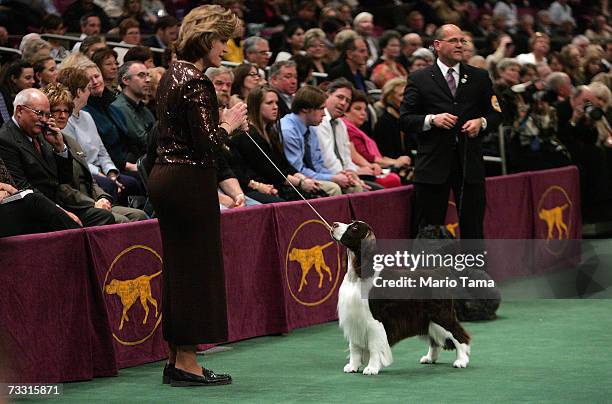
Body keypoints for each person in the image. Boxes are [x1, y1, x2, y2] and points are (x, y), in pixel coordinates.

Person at [148, 5, 247, 386]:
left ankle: (176, 357)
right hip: (188, 181)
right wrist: (230, 125)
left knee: (178, 269)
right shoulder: (197, 82)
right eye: (222, 40)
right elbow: (208, 146)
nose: (226, 48)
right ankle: (187, 361)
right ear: (206, 40)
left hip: (167, 178)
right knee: (195, 271)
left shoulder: (173, 72)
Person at [400, 24, 502, 239]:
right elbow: (406, 119)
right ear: (437, 45)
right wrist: (432, 120)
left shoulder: (479, 77)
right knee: (429, 229)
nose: (459, 45)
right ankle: (429, 272)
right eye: (453, 40)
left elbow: (497, 114)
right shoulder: (419, 78)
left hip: (469, 163)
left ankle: (474, 272)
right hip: (433, 164)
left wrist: (481, 123)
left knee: (473, 225)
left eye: (462, 41)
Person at [0, 88, 115, 227]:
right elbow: (23, 188)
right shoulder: (5, 139)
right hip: (38, 213)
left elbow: (64, 179)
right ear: (19, 111)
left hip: (61, 203)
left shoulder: (43, 133)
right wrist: (60, 211)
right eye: (39, 113)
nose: (43, 120)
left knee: (104, 217)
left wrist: (60, 148)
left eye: (47, 115)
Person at [43, 82, 147, 223]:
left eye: (66, 111)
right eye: (56, 110)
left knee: (139, 216)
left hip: (92, 200)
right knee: (121, 221)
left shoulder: (72, 142)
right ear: (47, 112)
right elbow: (62, 188)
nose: (62, 115)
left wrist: (103, 197)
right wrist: (93, 203)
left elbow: (90, 180)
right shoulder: (45, 143)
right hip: (75, 205)